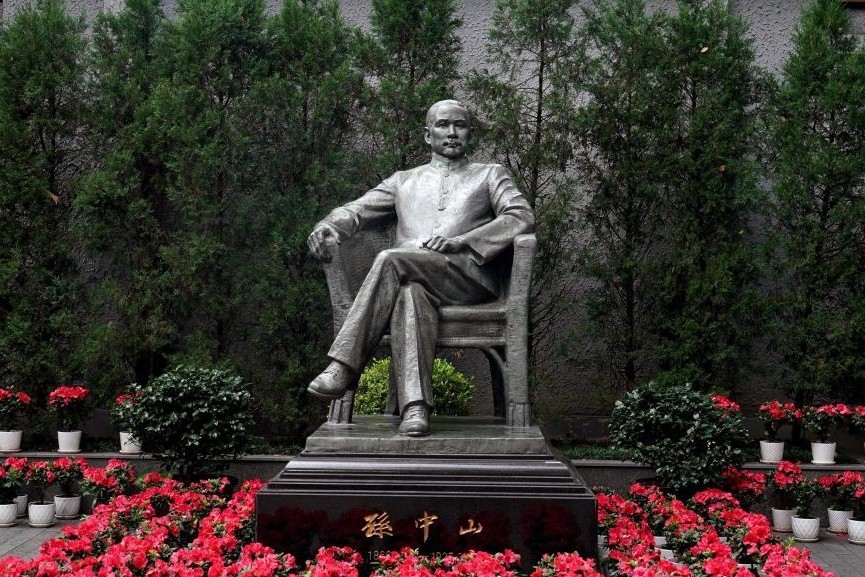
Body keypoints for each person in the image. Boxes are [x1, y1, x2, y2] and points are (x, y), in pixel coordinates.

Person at [306, 99, 535, 436]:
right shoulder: (404, 181)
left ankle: (343, 366)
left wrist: (462, 241)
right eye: (443, 125)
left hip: (466, 279)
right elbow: (355, 211)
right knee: (409, 295)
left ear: (470, 134)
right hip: (411, 278)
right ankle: (415, 409)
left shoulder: (489, 175)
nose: (452, 132)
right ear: (428, 135)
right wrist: (327, 226)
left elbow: (521, 216)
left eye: (460, 125)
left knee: (391, 258)